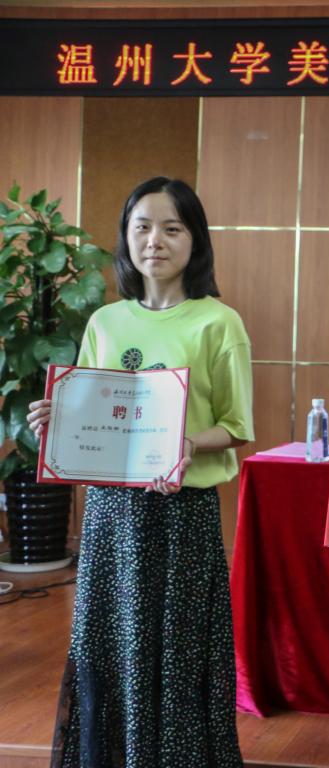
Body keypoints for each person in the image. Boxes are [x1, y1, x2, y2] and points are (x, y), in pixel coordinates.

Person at [28, 177, 254, 767]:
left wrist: (186, 444)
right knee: (109, 646)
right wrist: (56, 418)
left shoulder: (218, 322)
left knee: (177, 652)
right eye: (142, 227)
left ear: (195, 240)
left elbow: (236, 426)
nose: (155, 240)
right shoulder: (105, 322)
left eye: (172, 228)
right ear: (126, 238)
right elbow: (90, 416)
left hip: (182, 514)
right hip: (111, 515)